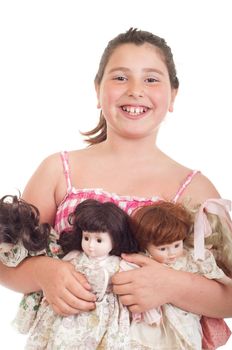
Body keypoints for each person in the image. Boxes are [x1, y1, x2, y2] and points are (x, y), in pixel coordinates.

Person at [0, 27, 232, 349]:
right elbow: (6, 262)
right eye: (120, 78)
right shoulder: (58, 170)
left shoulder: (196, 190)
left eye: (151, 79)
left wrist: (174, 285)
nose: (135, 90)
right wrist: (43, 272)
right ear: (97, 91)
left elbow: (229, 297)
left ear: (173, 96)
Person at [0, 196, 138, 348]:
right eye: (86, 238)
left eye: (99, 240)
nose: (91, 246)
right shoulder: (74, 257)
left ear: (116, 239)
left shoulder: (117, 265)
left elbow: (138, 280)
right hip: (67, 316)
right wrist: (44, 271)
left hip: (106, 317)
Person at [125, 200, 232, 350]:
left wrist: (227, 283)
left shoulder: (189, 260)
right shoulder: (143, 260)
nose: (172, 253)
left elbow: (214, 274)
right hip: (153, 322)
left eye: (176, 245)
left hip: (184, 318)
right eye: (162, 249)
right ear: (146, 245)